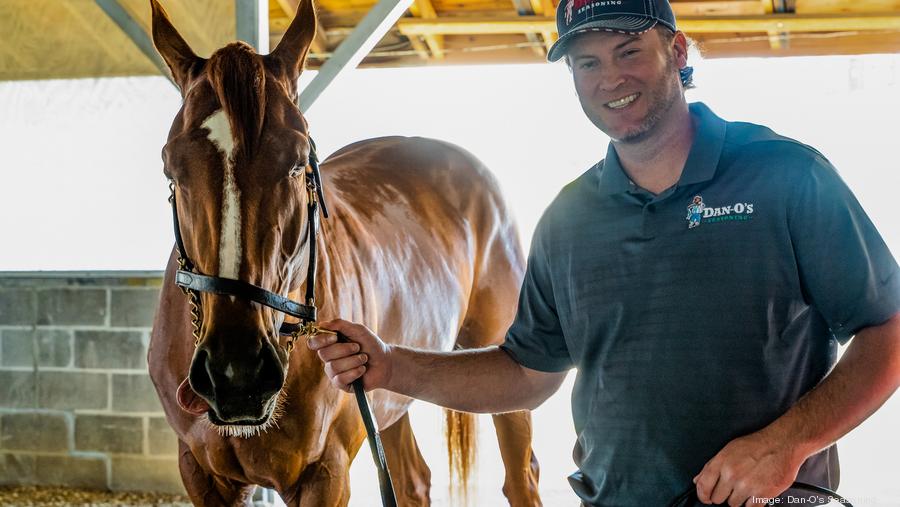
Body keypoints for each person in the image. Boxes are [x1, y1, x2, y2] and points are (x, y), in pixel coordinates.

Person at [308, 0, 900, 504]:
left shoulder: (786, 175)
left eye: (628, 51)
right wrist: (392, 366)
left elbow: (889, 328)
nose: (608, 78)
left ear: (678, 51)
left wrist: (787, 445)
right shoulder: (569, 219)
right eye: (587, 62)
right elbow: (528, 372)